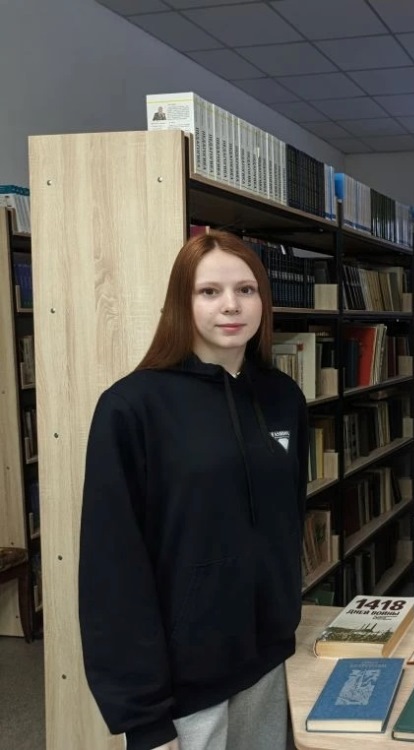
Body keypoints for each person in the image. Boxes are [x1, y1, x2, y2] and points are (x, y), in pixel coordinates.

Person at [78, 230, 309, 750]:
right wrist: (143, 717)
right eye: (209, 291)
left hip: (268, 664)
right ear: (182, 303)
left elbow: (289, 517)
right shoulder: (131, 407)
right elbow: (112, 568)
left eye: (246, 290)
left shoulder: (282, 396)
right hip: (182, 686)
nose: (231, 305)